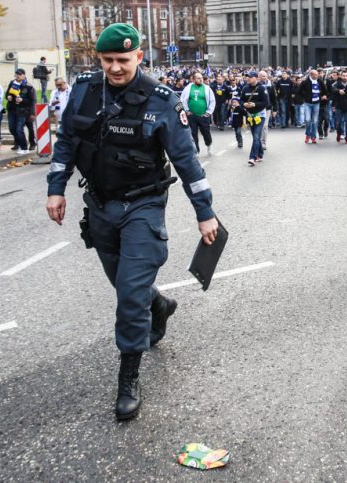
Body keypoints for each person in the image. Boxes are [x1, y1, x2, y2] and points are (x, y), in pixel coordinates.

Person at [45, 23, 218, 421]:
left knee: (127, 293)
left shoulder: (161, 100)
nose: (116, 68)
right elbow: (68, 140)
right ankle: (158, 305)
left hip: (143, 207)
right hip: (101, 206)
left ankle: (128, 376)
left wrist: (204, 212)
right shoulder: (85, 90)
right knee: (125, 285)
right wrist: (56, 187)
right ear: (99, 59)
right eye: (108, 60)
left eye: (123, 60)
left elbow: (187, 161)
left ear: (139, 57)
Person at [181, 71, 216, 156]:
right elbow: (183, 100)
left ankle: (209, 144)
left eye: (202, 78)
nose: (201, 80)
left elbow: (212, 101)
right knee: (193, 134)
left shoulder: (207, 88)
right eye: (198, 78)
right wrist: (186, 110)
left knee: (206, 133)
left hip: (203, 116)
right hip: (192, 115)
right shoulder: (188, 88)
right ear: (193, 79)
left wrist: (208, 112)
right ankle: (196, 150)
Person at [240, 71, 269, 165]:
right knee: (255, 137)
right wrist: (243, 104)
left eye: (250, 77)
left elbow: (266, 103)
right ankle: (260, 154)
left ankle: (252, 157)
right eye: (247, 77)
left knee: (256, 136)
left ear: (256, 78)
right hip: (250, 116)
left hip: (260, 116)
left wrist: (254, 104)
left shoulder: (261, 88)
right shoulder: (245, 88)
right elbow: (241, 100)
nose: (247, 78)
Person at [5, 68, 36, 155]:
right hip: (12, 109)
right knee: (12, 128)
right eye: (16, 75)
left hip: (23, 111)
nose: (17, 76)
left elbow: (32, 100)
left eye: (19, 75)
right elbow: (7, 93)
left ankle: (25, 147)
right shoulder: (12, 83)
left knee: (20, 129)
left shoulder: (28, 86)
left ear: (24, 75)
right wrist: (8, 97)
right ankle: (20, 142)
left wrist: (23, 100)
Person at [298, 68, 326, 144]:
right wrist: (305, 97)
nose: (317, 76)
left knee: (315, 121)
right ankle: (307, 135)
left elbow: (325, 90)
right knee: (307, 120)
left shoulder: (320, 81)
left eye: (317, 74)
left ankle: (313, 137)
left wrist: (323, 95)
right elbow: (299, 91)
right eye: (316, 74)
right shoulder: (305, 82)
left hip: (316, 103)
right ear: (311, 75)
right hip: (307, 103)